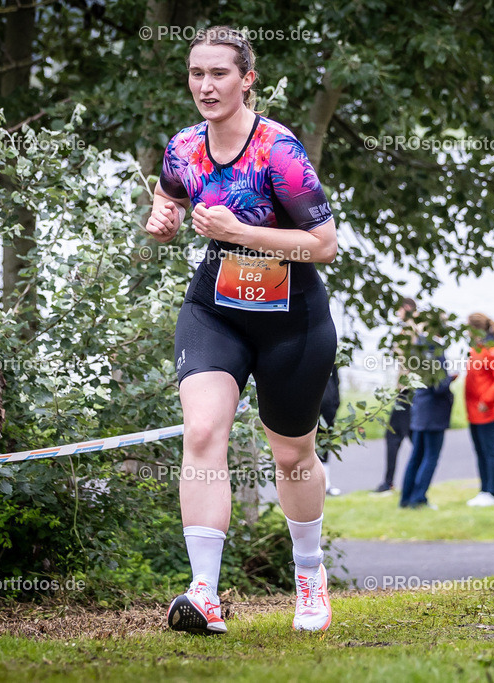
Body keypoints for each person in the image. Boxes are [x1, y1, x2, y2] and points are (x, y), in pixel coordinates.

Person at [144, 26, 338, 634]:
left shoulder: (278, 150)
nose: (206, 86)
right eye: (197, 74)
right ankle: (204, 592)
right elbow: (171, 194)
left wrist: (243, 233)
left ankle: (309, 571)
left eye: (219, 74)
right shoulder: (184, 145)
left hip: (292, 319)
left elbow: (324, 246)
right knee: (203, 430)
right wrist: (163, 215)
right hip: (216, 309)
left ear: (247, 79)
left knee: (292, 455)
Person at [399, 339, 456, 509]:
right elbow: (439, 387)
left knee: (416, 456)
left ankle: (406, 498)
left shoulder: (417, 348)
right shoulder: (436, 351)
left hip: (419, 408)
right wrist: (451, 378)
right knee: (431, 456)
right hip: (433, 413)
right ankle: (418, 497)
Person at [464, 313, 494, 507]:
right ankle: (484, 490)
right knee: (480, 451)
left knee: (489, 450)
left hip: (488, 410)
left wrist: (487, 400)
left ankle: (493, 492)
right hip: (474, 410)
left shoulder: (493, 350)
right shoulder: (477, 348)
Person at [374, 297, 417, 494]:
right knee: (412, 436)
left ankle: (389, 483)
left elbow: (405, 358)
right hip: (412, 391)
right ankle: (414, 481)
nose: (397, 314)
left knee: (393, 436)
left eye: (398, 310)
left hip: (408, 391)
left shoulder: (411, 329)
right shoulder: (420, 327)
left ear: (406, 308)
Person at [317, 365, 342, 497]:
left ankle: (325, 484)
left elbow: (336, 381)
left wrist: (335, 402)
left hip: (327, 407)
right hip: (308, 406)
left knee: (325, 444)